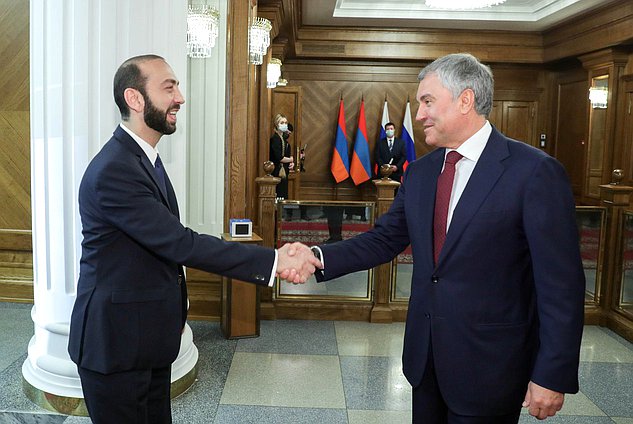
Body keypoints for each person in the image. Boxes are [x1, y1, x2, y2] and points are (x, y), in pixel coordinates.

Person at [310, 53, 585, 423]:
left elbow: (561, 284)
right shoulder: (421, 174)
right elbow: (384, 240)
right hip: (426, 362)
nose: (419, 113)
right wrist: (315, 257)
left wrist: (552, 373)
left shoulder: (534, 172)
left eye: (427, 101)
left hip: (492, 367)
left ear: (465, 100)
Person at [67, 54, 320, 424]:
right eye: (169, 88)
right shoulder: (115, 170)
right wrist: (274, 261)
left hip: (145, 340)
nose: (180, 98)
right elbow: (180, 244)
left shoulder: (143, 160)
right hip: (115, 348)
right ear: (134, 99)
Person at [269, 114, 294, 200]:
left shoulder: (284, 140)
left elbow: (286, 155)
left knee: (284, 197)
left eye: (285, 122)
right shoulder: (275, 139)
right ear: (277, 124)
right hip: (276, 172)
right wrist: (291, 159)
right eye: (282, 122)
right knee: (279, 197)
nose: (284, 124)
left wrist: (291, 163)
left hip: (284, 172)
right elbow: (279, 157)